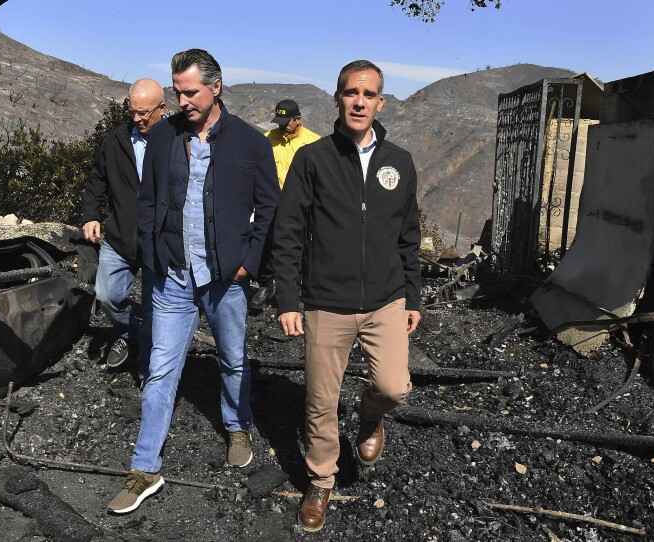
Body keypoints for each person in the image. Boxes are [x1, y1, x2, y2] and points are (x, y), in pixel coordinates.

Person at [107, 48, 279, 514]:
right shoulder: (163, 136)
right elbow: (148, 201)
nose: (182, 100)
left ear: (216, 87)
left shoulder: (249, 143)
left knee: (233, 357)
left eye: (190, 91)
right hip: (172, 277)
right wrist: (152, 253)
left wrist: (248, 262)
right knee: (161, 368)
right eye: (177, 92)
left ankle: (237, 425)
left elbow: (270, 208)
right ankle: (144, 467)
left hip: (226, 277)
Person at [271, 60, 422, 532]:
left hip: (385, 298)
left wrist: (413, 295)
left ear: (380, 102)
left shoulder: (399, 161)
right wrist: (287, 300)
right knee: (319, 400)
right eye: (351, 93)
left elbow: (409, 236)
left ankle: (370, 418)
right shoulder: (312, 159)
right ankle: (321, 481)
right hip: (325, 301)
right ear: (337, 99)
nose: (360, 101)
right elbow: (288, 233)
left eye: (369, 94)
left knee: (395, 386)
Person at [81, 79, 166, 378]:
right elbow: (97, 180)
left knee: (157, 310)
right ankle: (128, 332)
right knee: (106, 294)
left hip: (160, 242)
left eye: (144, 112)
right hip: (120, 236)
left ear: (162, 109)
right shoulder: (115, 140)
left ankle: (148, 370)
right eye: (133, 111)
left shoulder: (177, 140)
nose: (137, 118)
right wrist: (91, 214)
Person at [249, 99, 320, 309]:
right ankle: (265, 285)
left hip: (301, 205)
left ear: (298, 119)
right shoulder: (267, 140)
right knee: (266, 243)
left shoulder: (313, 143)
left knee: (297, 248)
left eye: (286, 121)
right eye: (278, 121)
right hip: (271, 203)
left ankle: (292, 292)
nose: (281, 126)